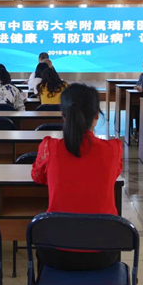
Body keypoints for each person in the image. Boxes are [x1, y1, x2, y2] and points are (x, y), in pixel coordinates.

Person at [31, 84, 123, 270]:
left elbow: (37, 177)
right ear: (96, 116)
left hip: (56, 251)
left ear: (64, 116)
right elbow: (113, 176)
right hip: (103, 252)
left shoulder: (49, 147)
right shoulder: (114, 148)